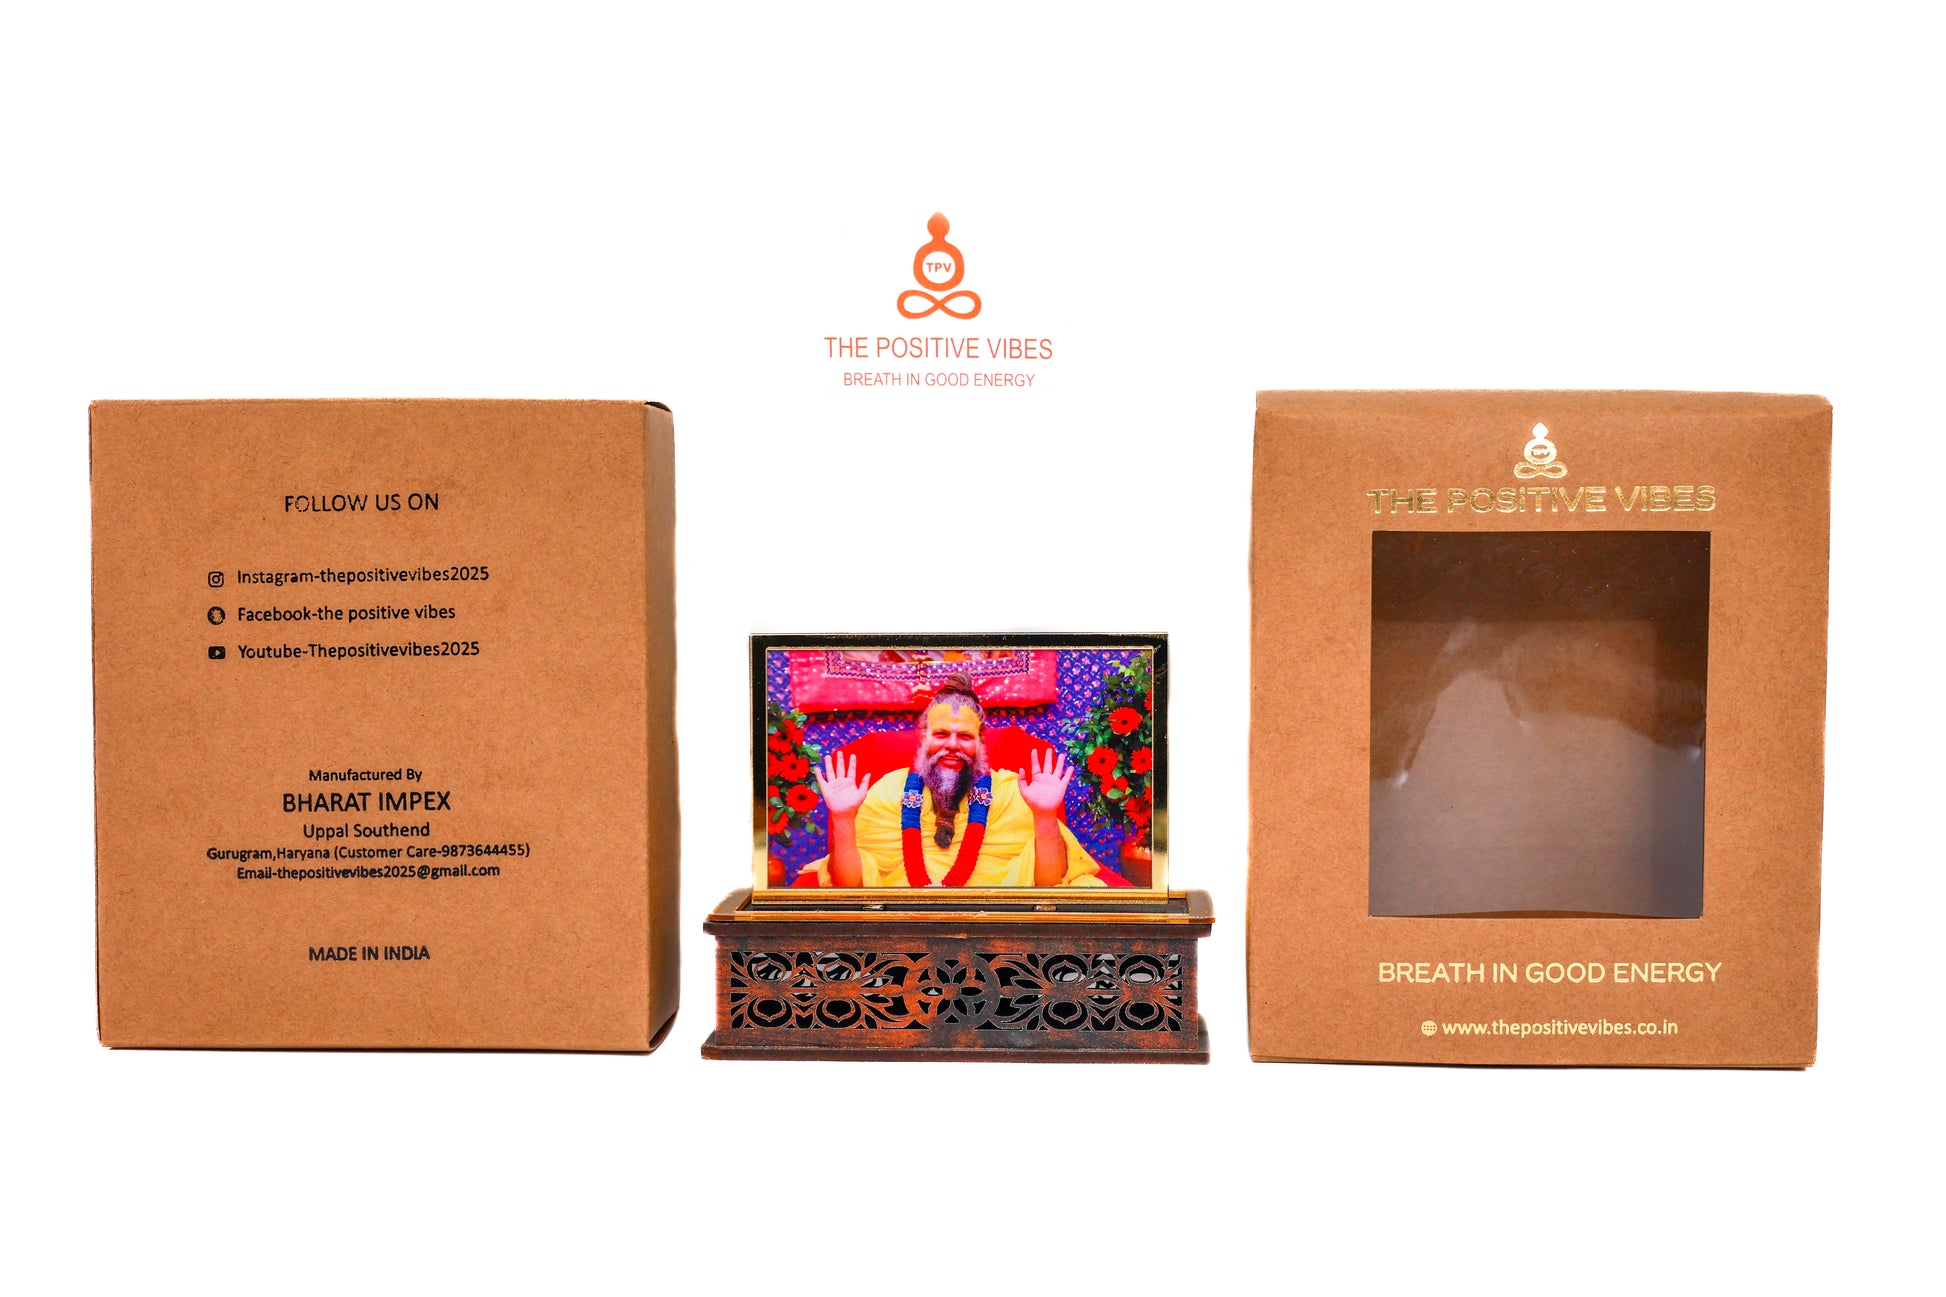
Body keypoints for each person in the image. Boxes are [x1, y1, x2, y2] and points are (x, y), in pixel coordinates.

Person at [803, 674, 1104, 888]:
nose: (952, 745)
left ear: (980, 743)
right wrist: (843, 818)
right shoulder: (887, 791)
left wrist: (1045, 815)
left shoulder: (1012, 793)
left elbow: (1048, 883)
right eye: (941, 734)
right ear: (924, 738)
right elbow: (850, 885)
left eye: (965, 736)